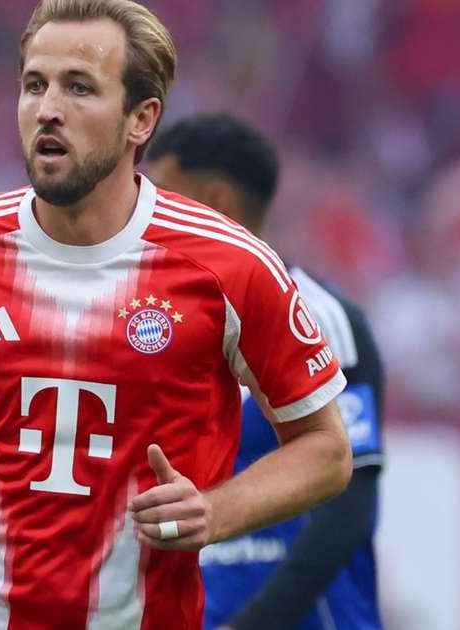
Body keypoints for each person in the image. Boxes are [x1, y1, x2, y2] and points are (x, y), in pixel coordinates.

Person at [0, 2, 352, 628]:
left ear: (141, 119)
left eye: (79, 87)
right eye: (35, 85)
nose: (48, 109)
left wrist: (217, 513)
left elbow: (325, 448)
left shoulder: (230, 266)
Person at [146, 114, 386, 630]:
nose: (146, 212)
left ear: (214, 200)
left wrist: (255, 624)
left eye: (162, 193)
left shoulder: (319, 318)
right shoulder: (157, 325)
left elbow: (349, 505)